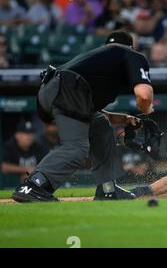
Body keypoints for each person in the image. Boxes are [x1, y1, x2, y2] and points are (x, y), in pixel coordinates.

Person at [12, 31, 154, 203]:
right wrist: (146, 109)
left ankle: (107, 189)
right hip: (69, 89)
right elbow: (144, 96)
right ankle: (34, 185)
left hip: (52, 90)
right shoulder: (131, 54)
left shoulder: (98, 57)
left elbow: (82, 102)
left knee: (100, 126)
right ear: (131, 46)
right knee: (77, 148)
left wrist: (117, 117)